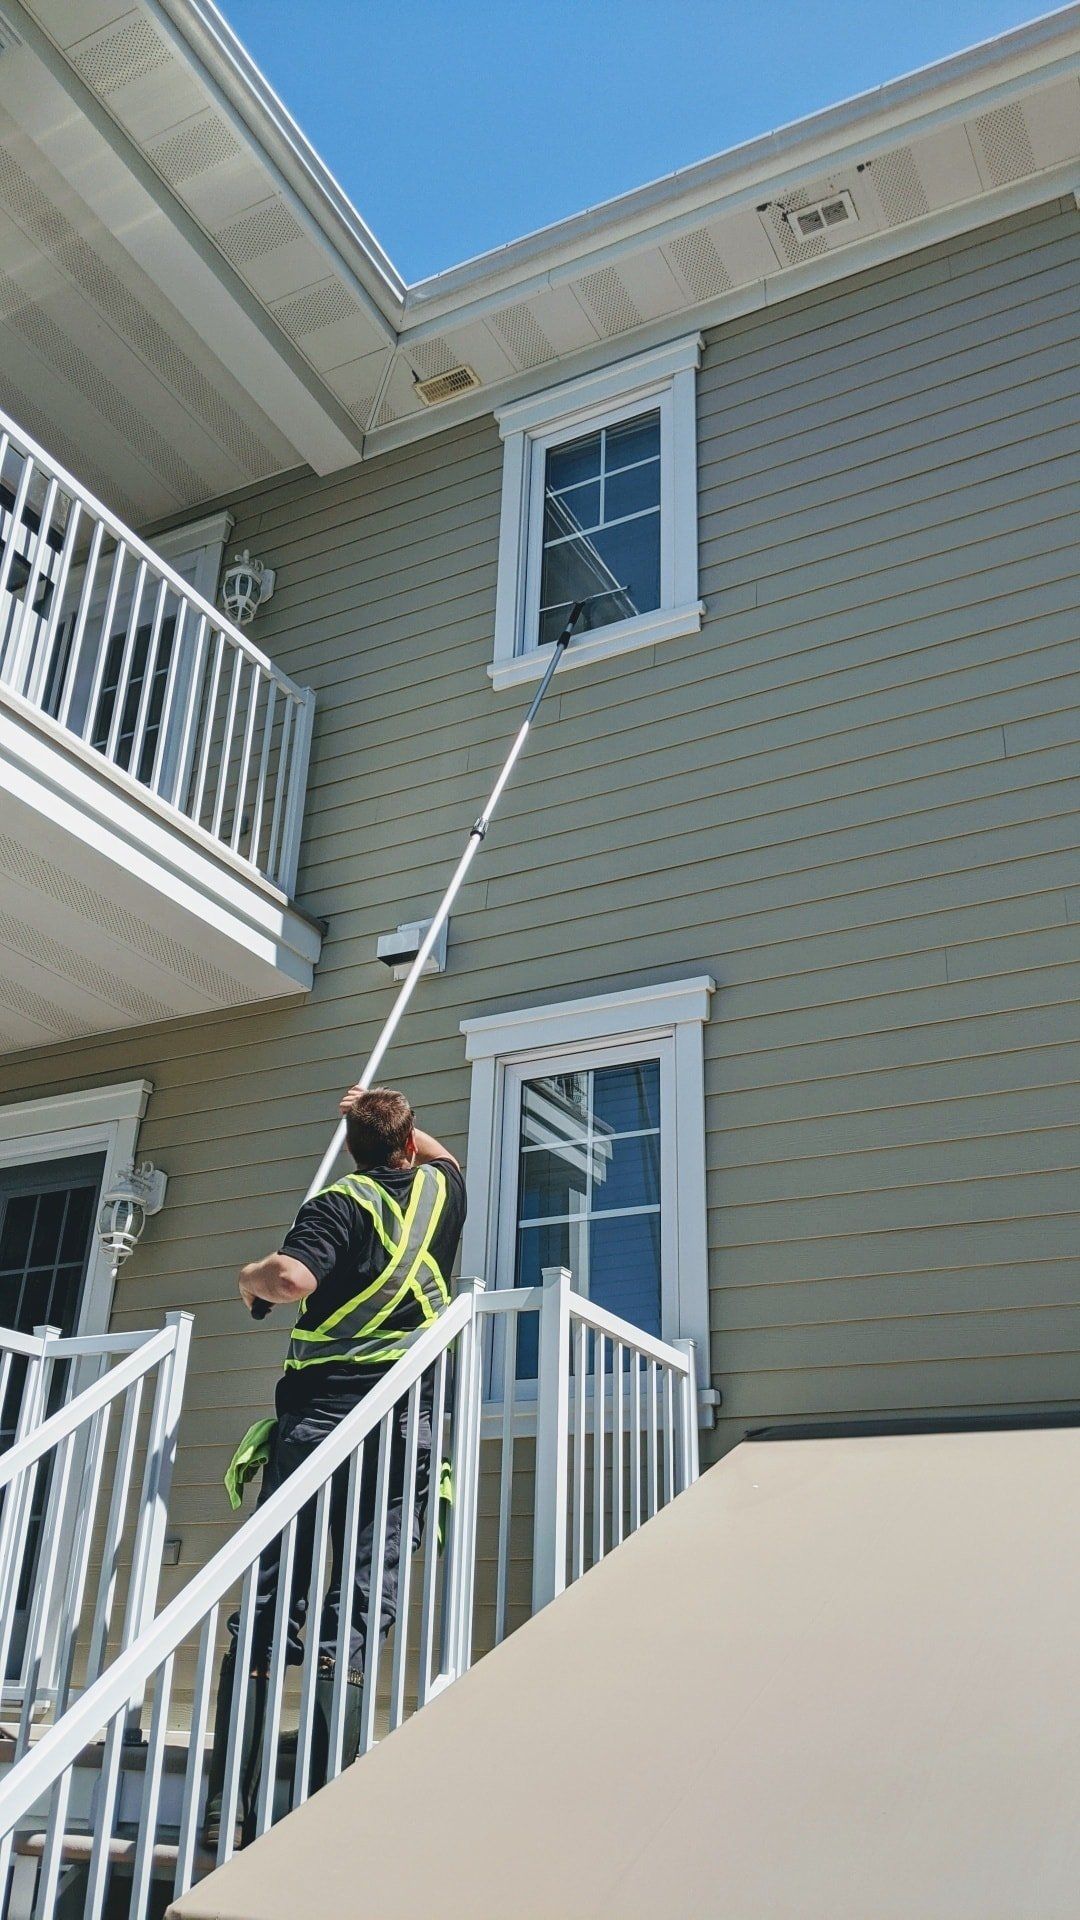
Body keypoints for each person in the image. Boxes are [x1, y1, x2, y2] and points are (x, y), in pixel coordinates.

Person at [202, 1084, 466, 1849]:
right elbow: (443, 1156)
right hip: (407, 1426)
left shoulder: (340, 1203)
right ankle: (316, 1808)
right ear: (409, 1144)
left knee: (273, 1594)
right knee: (359, 1598)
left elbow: (290, 1280)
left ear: (352, 1149)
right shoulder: (442, 1192)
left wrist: (247, 1279)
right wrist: (379, 1112)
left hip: (323, 1420)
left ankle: (229, 1803)